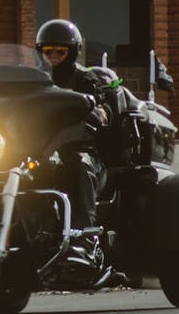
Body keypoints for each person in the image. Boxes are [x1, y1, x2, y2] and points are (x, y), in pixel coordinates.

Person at [35, 18, 120, 264]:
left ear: (72, 52)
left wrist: (96, 110)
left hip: (80, 150)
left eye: (60, 51)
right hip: (40, 150)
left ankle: (84, 239)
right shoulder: (34, 81)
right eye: (47, 51)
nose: (53, 56)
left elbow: (102, 109)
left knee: (77, 165)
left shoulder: (84, 79)